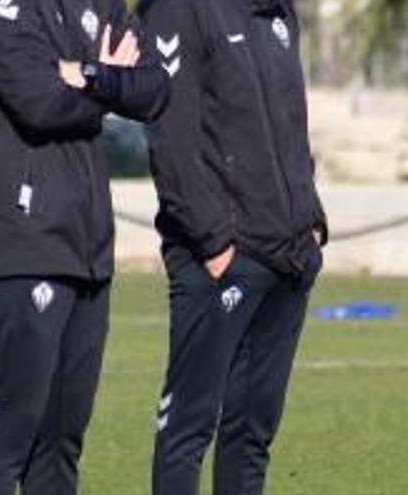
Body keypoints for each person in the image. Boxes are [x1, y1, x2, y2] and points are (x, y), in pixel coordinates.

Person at [0, 0, 169, 493]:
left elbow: (156, 87)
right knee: (10, 434)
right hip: (20, 242)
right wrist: (111, 79)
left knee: (62, 442)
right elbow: (39, 101)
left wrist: (86, 73)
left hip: (88, 246)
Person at [138, 0, 328, 493]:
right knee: (187, 428)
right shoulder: (178, 10)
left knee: (252, 435)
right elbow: (170, 136)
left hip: (289, 255)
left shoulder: (279, 13)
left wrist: (310, 219)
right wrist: (214, 241)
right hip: (221, 259)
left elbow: (291, 122)